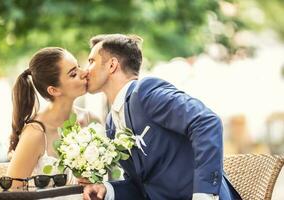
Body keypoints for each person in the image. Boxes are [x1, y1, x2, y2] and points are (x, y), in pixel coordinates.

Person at [82, 34, 242, 200]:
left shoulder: (146, 93)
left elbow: (207, 122)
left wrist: (204, 194)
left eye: (91, 61)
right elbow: (142, 185)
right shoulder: (111, 124)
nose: (85, 70)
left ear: (112, 65)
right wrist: (108, 190)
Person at [6, 47, 100, 189]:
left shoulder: (92, 120)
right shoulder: (36, 133)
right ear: (54, 90)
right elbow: (13, 191)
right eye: (73, 74)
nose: (84, 73)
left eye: (79, 67)